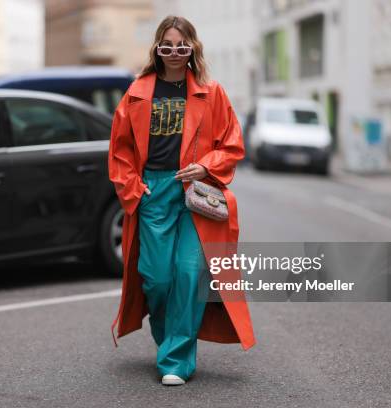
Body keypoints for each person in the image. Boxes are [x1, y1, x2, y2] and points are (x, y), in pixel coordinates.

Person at [108, 15, 255, 386]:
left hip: (196, 196)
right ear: (157, 49)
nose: (174, 53)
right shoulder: (138, 92)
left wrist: (206, 167)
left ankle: (176, 359)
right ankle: (168, 338)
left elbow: (232, 144)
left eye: (182, 46)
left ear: (193, 48)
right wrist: (133, 189)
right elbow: (120, 150)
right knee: (156, 279)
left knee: (189, 275)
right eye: (167, 46)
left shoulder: (212, 91)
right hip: (153, 191)